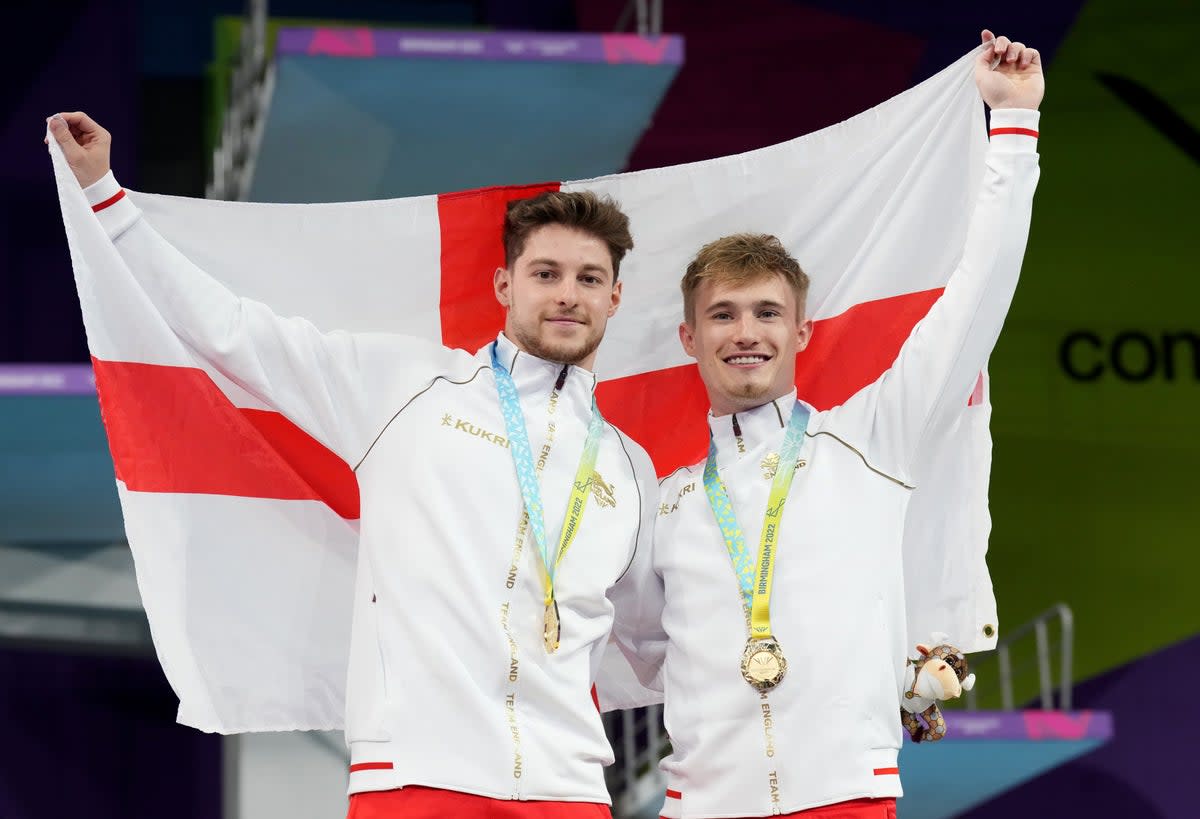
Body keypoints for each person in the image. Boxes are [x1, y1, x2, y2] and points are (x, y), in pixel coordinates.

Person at [47, 112, 665, 818]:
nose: (567, 294)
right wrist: (107, 201)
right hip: (418, 778)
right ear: (503, 285)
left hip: (571, 791)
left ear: (615, 297)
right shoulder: (402, 388)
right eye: (545, 273)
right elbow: (235, 333)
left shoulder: (627, 466)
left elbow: (654, 638)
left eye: (590, 278)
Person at [653, 31, 1043, 819]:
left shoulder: (873, 439)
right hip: (695, 805)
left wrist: (1014, 127)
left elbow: (979, 293)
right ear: (689, 339)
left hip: (846, 799)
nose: (746, 332)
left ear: (802, 333)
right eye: (722, 315)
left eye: (768, 312)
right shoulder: (659, 503)